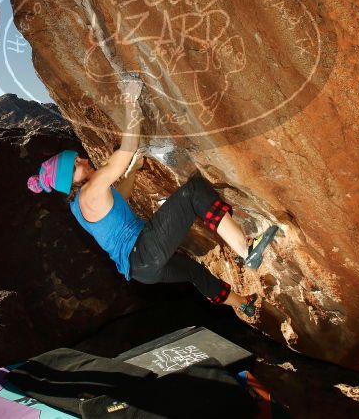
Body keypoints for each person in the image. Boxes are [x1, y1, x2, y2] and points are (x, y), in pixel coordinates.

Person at [27, 78, 278, 317]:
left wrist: (134, 171)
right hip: (144, 251)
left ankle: (243, 304)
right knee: (194, 191)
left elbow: (119, 202)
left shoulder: (79, 206)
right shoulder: (91, 188)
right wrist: (130, 101)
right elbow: (127, 149)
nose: (82, 159)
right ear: (69, 180)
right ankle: (246, 250)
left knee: (193, 271)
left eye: (77, 157)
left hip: (141, 270)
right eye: (75, 165)